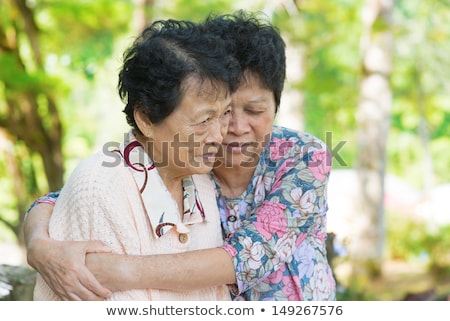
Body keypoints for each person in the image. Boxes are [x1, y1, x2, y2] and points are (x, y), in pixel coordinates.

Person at [25, 10, 336, 301]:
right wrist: (39, 246)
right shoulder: (191, 154)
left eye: (255, 110)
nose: (235, 128)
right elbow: (70, 195)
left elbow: (249, 256)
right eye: (223, 111)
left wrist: (119, 270)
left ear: (276, 107)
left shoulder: (304, 158)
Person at [31, 17, 241, 300]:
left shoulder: (200, 179)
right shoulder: (102, 186)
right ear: (145, 118)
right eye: (204, 120)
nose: (219, 135)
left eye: (225, 113)